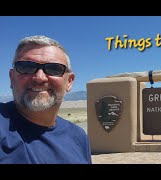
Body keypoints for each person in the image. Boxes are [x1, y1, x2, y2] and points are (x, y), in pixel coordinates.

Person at [0, 35, 92, 164]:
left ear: (69, 82)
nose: (39, 78)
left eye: (54, 69)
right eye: (26, 67)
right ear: (12, 78)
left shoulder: (79, 137)